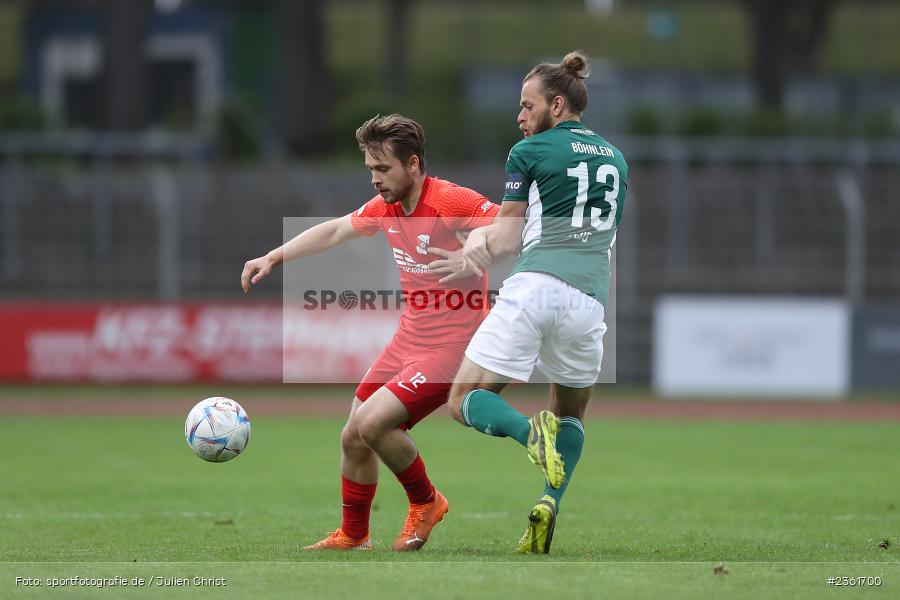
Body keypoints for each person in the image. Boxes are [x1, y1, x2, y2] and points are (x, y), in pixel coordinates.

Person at [241, 114, 499, 551]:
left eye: (383, 169)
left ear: (412, 164)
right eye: (370, 170)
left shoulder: (451, 201)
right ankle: (354, 534)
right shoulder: (388, 208)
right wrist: (275, 256)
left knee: (374, 423)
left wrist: (477, 247)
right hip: (409, 340)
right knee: (352, 435)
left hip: (454, 347)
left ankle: (427, 501)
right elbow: (339, 228)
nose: (375, 180)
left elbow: (506, 224)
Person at [444, 51, 628, 554]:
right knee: (570, 415)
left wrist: (474, 246)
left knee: (462, 400)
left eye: (528, 106)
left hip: (536, 288)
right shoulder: (616, 157)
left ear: (558, 104)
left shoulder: (528, 152)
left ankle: (529, 435)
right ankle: (550, 502)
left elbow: (506, 242)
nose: (520, 117)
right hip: (589, 301)